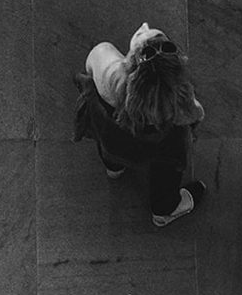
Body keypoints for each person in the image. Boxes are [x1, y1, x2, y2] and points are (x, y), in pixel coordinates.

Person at [80, 23, 207, 228]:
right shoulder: (183, 102)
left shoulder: (112, 76)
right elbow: (196, 117)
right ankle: (163, 212)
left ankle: (115, 168)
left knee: (109, 144)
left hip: (115, 137)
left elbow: (93, 61)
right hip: (162, 147)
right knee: (166, 174)